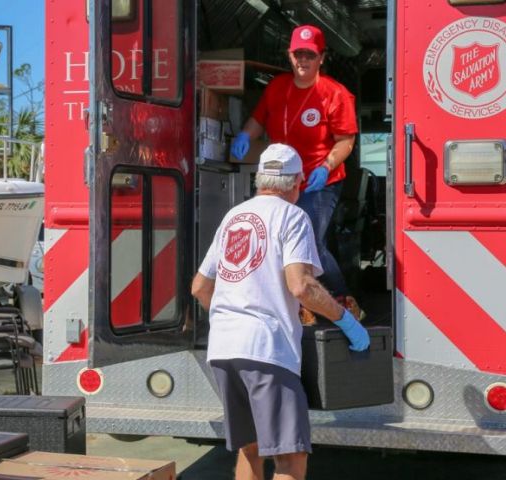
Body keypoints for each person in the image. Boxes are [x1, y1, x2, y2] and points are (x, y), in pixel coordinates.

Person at [191, 143, 369, 480]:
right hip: (266, 351)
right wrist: (345, 320)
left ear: (260, 180)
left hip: (223, 351)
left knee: (251, 448)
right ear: (298, 182)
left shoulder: (234, 215)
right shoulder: (293, 216)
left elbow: (200, 287)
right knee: (289, 458)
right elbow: (302, 287)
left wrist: (229, 317)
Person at [230, 24, 358, 309]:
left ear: (321, 58)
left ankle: (341, 298)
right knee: (274, 238)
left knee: (310, 240)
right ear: (290, 55)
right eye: (298, 54)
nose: (303, 60)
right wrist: (244, 135)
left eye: (309, 55)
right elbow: (259, 119)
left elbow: (345, 142)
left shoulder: (335, 94)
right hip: (280, 180)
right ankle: (294, 303)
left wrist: (326, 167)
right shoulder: (277, 87)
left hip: (318, 180)